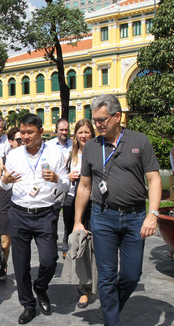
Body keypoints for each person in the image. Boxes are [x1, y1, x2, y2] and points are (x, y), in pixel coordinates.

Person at [73, 94, 161, 326]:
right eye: (94, 120)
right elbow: (85, 187)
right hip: (103, 217)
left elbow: (154, 180)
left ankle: (109, 308)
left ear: (117, 116)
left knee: (132, 275)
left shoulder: (139, 141)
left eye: (101, 120)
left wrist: (152, 213)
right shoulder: (91, 147)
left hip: (135, 217)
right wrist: (78, 220)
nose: (97, 125)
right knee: (107, 277)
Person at [0, 114, 68, 324]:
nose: (25, 137)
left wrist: (57, 180)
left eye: (30, 132)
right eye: (22, 132)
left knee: (49, 260)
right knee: (21, 264)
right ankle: (28, 304)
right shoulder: (14, 155)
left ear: (41, 132)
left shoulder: (55, 153)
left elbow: (66, 184)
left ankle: (40, 287)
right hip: (19, 213)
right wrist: (4, 181)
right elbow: (5, 185)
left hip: (45, 213)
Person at [60, 118, 97, 308]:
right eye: (80, 132)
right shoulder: (70, 155)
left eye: (86, 132)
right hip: (72, 201)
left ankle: (95, 283)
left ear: (92, 134)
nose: (83, 136)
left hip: (93, 202)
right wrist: (68, 176)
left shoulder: (99, 152)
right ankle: (83, 288)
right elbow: (61, 179)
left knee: (94, 245)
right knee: (78, 245)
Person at [0, 126, 22, 280]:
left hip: (22, 203)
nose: (21, 143)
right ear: (10, 142)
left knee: (20, 240)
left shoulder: (29, 159)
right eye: (18, 140)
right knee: (5, 241)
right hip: (4, 203)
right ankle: (3, 265)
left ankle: (22, 269)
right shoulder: (3, 161)